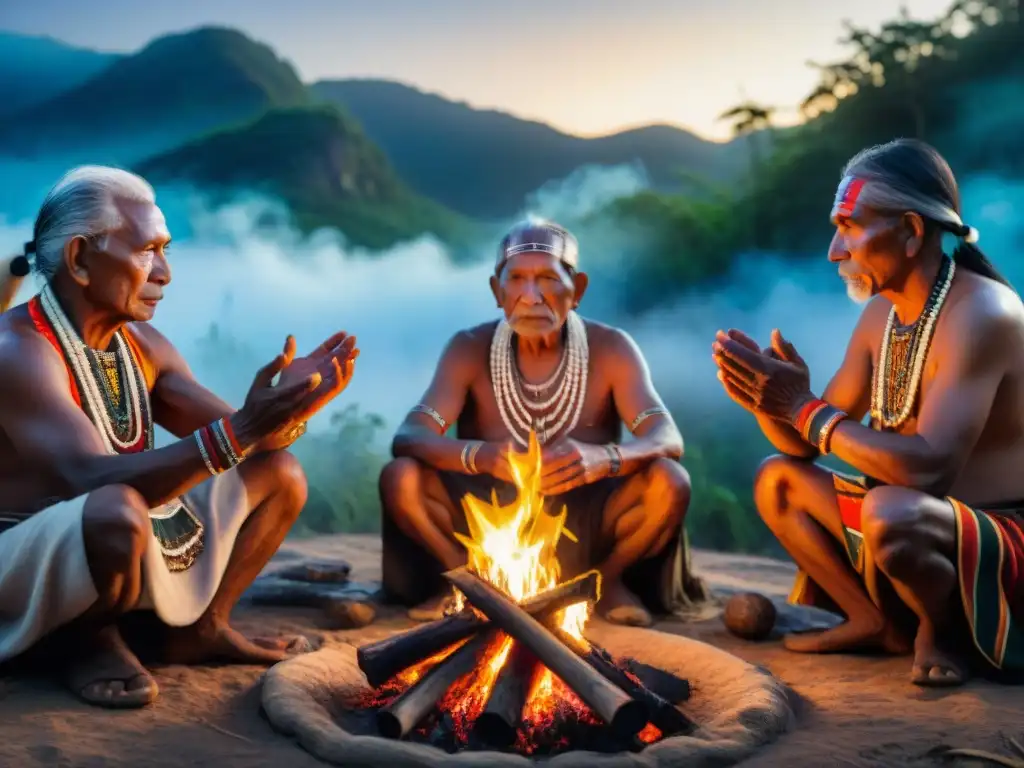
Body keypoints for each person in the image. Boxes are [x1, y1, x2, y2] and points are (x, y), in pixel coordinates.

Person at [0, 166, 359, 709]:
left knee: (277, 474)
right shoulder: (18, 350)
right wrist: (245, 428)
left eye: (166, 250)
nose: (164, 272)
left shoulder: (141, 343)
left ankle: (202, 628)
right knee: (114, 510)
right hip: (22, 558)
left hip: (117, 522)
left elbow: (241, 441)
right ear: (79, 259)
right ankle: (86, 640)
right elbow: (84, 478)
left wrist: (293, 405)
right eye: (147, 250)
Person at [712, 138, 1024, 687]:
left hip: (993, 535)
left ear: (910, 230)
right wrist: (769, 403)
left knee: (890, 511)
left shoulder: (983, 312)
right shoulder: (883, 312)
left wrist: (801, 408)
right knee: (778, 480)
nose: (835, 249)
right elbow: (806, 443)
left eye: (851, 226)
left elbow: (930, 468)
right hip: (909, 514)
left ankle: (942, 628)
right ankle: (874, 620)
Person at [378, 218, 708, 627]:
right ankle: (467, 583)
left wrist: (604, 458)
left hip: (588, 512)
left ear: (578, 289)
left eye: (548, 279)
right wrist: (482, 456)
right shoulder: (468, 348)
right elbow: (410, 436)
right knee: (402, 477)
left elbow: (666, 436)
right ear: (498, 292)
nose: (532, 296)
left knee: (669, 481)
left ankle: (603, 585)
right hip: (489, 510)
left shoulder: (612, 349)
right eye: (516, 279)